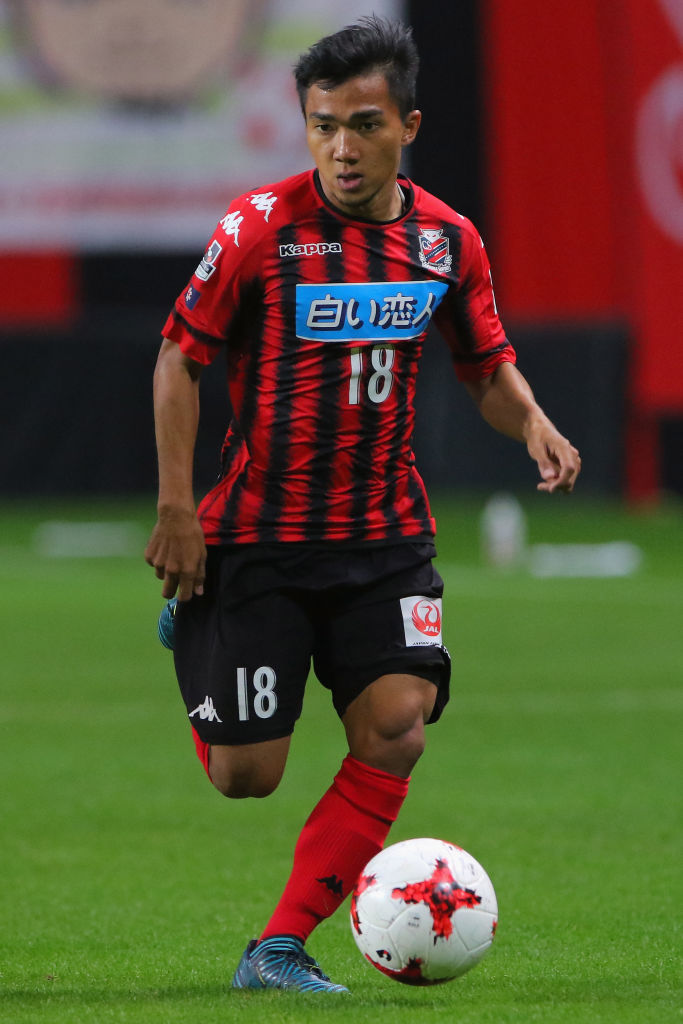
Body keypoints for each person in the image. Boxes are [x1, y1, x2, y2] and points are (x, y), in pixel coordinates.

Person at [144, 16, 581, 994]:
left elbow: (484, 366)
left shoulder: (445, 240)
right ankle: (195, 632)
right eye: (323, 125)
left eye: (365, 125)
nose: (342, 147)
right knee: (244, 776)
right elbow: (178, 358)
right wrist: (177, 508)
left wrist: (532, 422)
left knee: (397, 724)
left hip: (383, 538)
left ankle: (277, 947)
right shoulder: (260, 229)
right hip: (258, 537)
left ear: (407, 126)